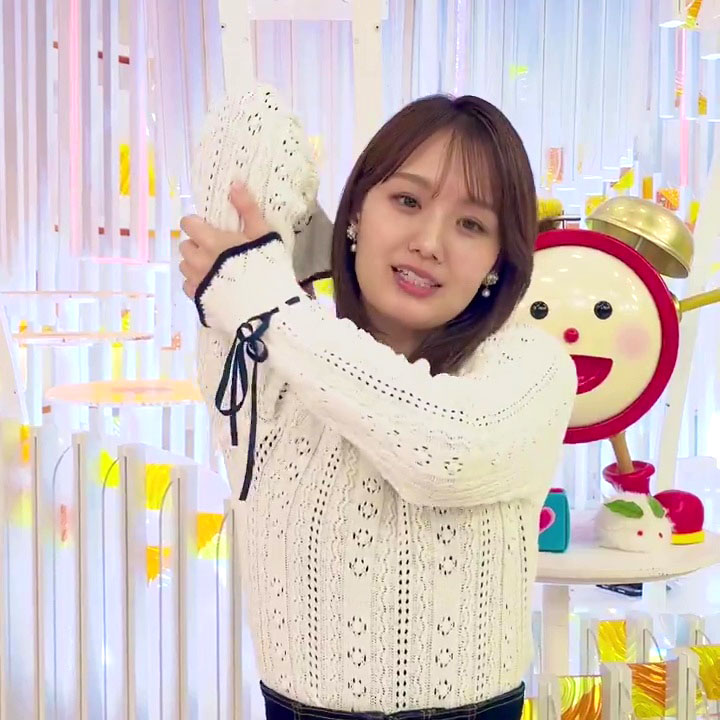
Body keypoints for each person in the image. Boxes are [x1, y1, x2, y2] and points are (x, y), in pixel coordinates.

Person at [179, 85, 575, 720]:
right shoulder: (263, 352)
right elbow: (247, 124)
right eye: (407, 201)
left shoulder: (531, 367)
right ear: (357, 211)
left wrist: (267, 295)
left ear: (498, 261)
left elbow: (445, 456)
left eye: (471, 224)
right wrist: (303, 249)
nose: (430, 242)